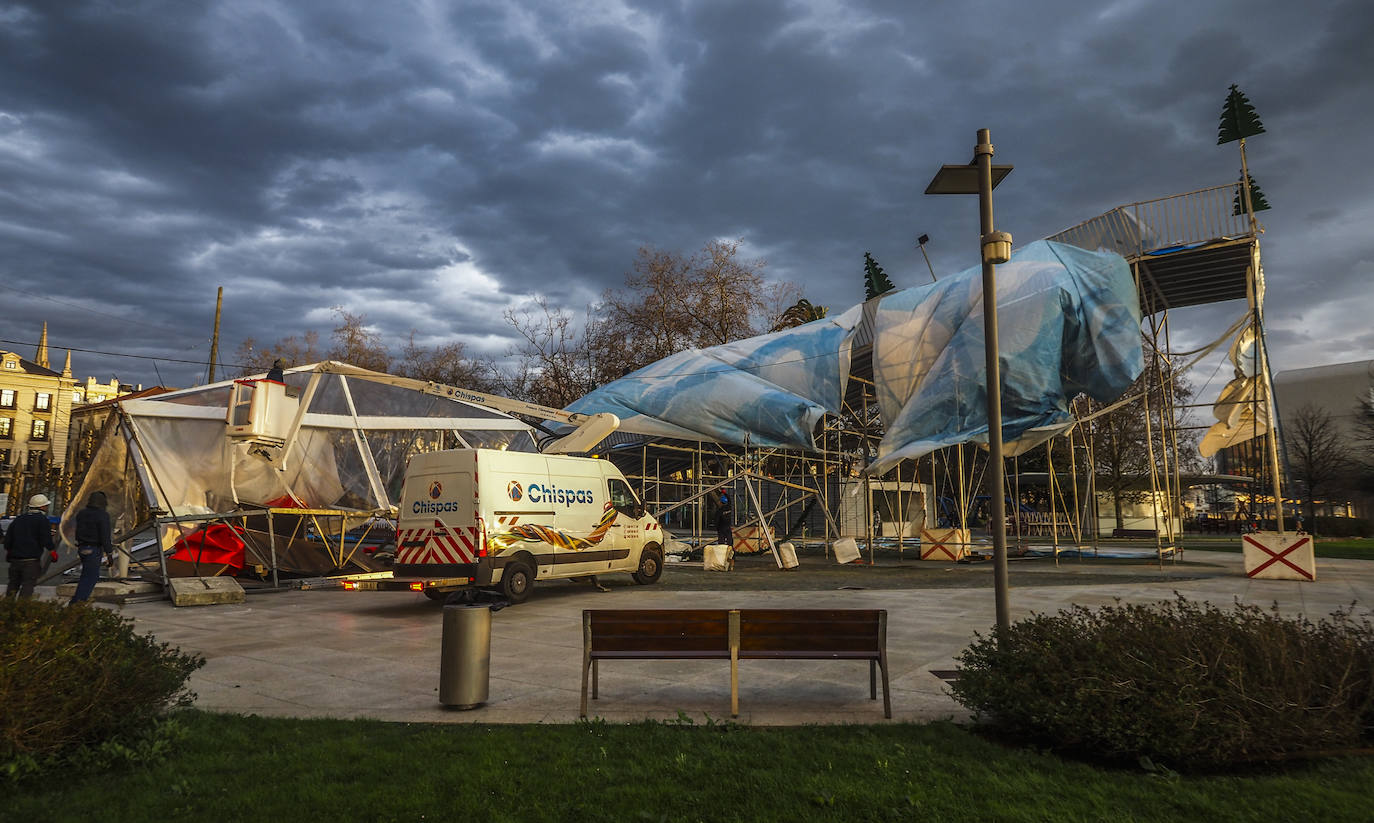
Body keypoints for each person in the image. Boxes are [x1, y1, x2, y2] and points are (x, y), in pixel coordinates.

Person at [5, 494, 55, 599]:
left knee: (13, 585)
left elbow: (8, 539)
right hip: (31, 561)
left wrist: (10, 551)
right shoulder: (42, 520)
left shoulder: (19, 519)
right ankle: (22, 611)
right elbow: (45, 539)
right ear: (42, 507)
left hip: (15, 560)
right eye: (46, 506)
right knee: (27, 586)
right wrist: (52, 550)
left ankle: (7, 608)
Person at [70, 490, 114, 604]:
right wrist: (109, 553)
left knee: (85, 575)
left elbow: (77, 530)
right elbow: (105, 535)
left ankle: (77, 601)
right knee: (90, 578)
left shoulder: (82, 513)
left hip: (82, 547)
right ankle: (78, 603)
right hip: (94, 548)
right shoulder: (102, 515)